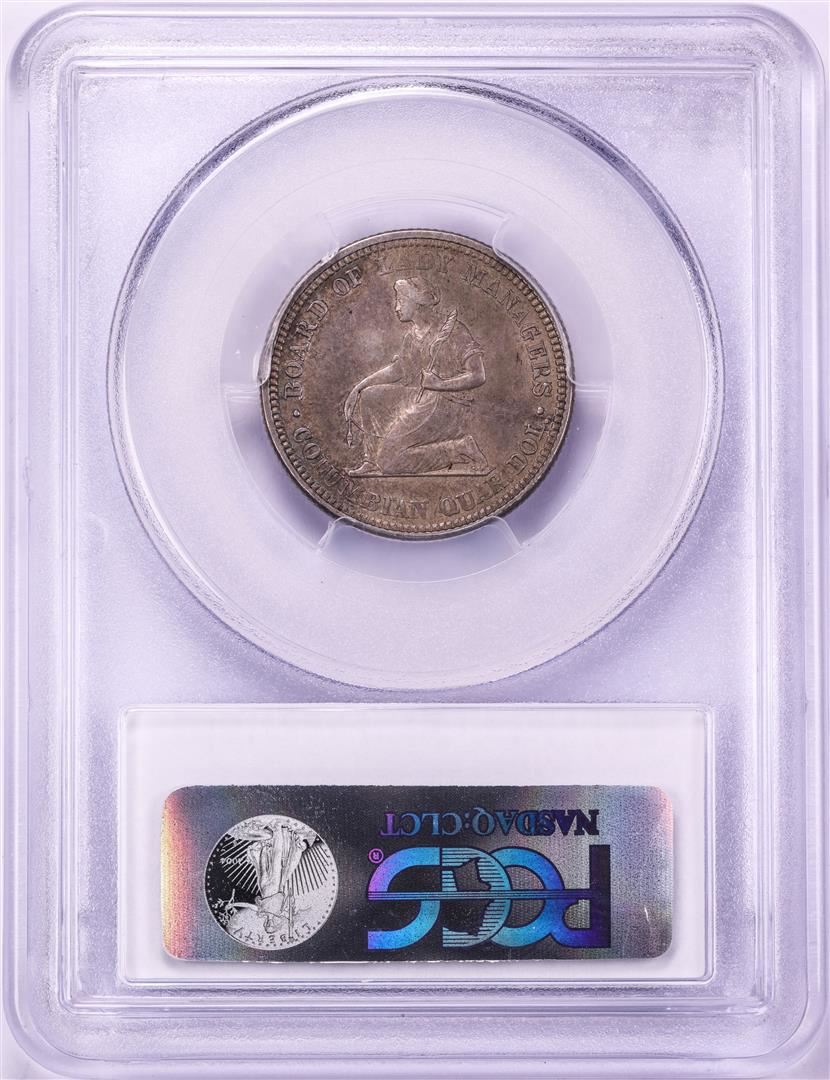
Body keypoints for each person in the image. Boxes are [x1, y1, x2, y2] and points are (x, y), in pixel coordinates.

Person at [344, 276, 489, 476]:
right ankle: (371, 460)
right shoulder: (412, 336)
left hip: (448, 405)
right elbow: (398, 370)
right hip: (422, 399)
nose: (396, 307)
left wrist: (440, 384)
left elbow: (478, 375)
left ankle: (459, 448)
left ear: (417, 302)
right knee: (370, 396)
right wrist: (359, 387)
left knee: (389, 462)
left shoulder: (453, 331)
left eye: (401, 300)